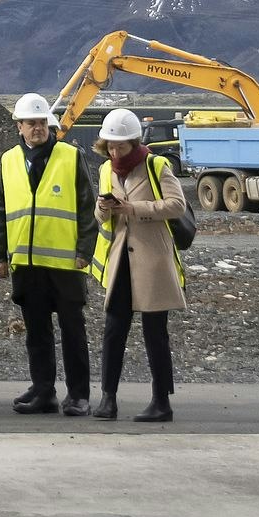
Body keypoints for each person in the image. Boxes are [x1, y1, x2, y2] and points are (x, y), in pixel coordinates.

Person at [0, 93, 96, 416]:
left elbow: (86, 206)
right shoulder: (8, 161)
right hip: (26, 264)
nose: (37, 128)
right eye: (31, 123)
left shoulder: (69, 157)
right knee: (37, 332)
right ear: (19, 127)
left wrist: (85, 250)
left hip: (66, 263)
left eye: (42, 122)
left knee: (72, 331)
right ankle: (44, 391)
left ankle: (78, 394)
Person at [92, 107, 187, 423]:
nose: (115, 151)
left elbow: (176, 205)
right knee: (113, 330)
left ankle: (161, 401)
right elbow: (102, 217)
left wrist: (134, 208)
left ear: (134, 142)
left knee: (154, 333)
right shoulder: (107, 169)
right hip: (120, 260)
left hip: (153, 260)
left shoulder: (156, 165)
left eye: (121, 145)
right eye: (110, 145)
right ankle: (108, 399)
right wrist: (104, 209)